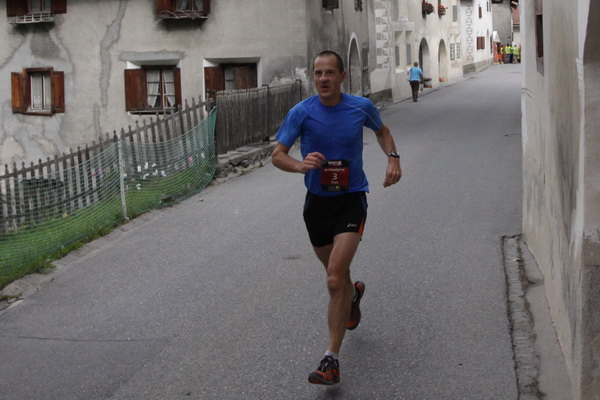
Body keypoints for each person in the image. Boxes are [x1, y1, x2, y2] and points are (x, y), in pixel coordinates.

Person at [271, 50, 402, 386]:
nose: (323, 79)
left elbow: (383, 131)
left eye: (330, 72)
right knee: (339, 279)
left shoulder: (361, 107)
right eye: (318, 73)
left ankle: (331, 360)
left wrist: (393, 158)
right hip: (316, 204)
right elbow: (278, 156)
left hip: (351, 199)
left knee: (333, 279)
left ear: (342, 76)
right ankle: (353, 295)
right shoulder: (301, 113)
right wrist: (300, 166)